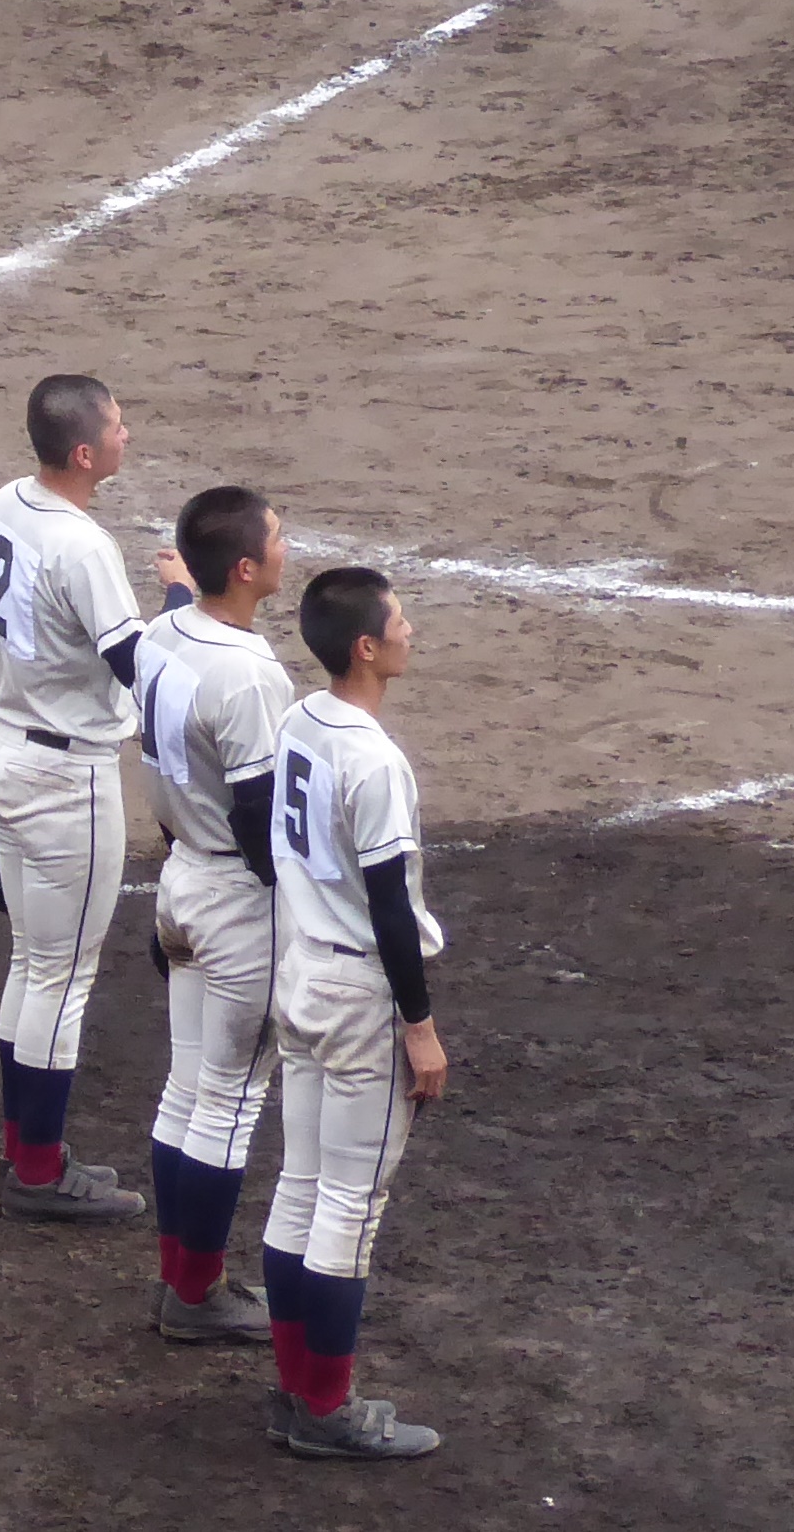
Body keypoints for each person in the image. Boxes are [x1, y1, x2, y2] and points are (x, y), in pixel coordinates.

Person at [0, 373, 181, 1218]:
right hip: (65, 779)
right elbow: (138, 667)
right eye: (118, 426)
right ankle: (36, 1173)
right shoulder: (82, 546)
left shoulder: (3, 505)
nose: (128, 435)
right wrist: (180, 600)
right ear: (85, 453)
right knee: (61, 978)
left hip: (7, 751)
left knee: (34, 962)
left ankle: (24, 1151)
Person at [259, 567, 448, 1461]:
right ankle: (326, 1411)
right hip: (356, 994)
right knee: (347, 1206)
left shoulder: (300, 719)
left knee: (300, 1187)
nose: (411, 631)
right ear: (365, 647)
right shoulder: (373, 760)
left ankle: (295, 1389)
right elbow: (388, 907)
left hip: (300, 973)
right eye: (400, 621)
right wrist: (419, 1024)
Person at [134, 484, 293, 1344]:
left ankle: (181, 1280)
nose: (283, 546)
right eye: (275, 537)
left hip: (181, 879)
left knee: (185, 1090)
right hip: (236, 900)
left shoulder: (161, 635)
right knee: (228, 1103)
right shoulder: (249, 674)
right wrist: (297, 911)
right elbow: (261, 816)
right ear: (243, 568)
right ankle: (196, 1297)